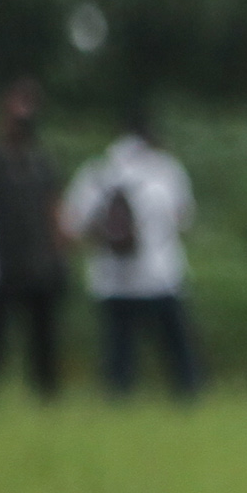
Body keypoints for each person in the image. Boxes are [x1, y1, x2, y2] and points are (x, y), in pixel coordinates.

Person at [61, 107, 203, 400]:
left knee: (119, 350)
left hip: (111, 277)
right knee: (176, 347)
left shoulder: (97, 171)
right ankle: (188, 396)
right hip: (161, 275)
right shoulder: (166, 170)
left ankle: (118, 401)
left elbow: (72, 224)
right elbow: (184, 218)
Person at [0, 78, 70, 399]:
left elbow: (54, 209)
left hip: (38, 264)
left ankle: (46, 397)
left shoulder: (41, 163)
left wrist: (59, 253)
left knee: (43, 340)